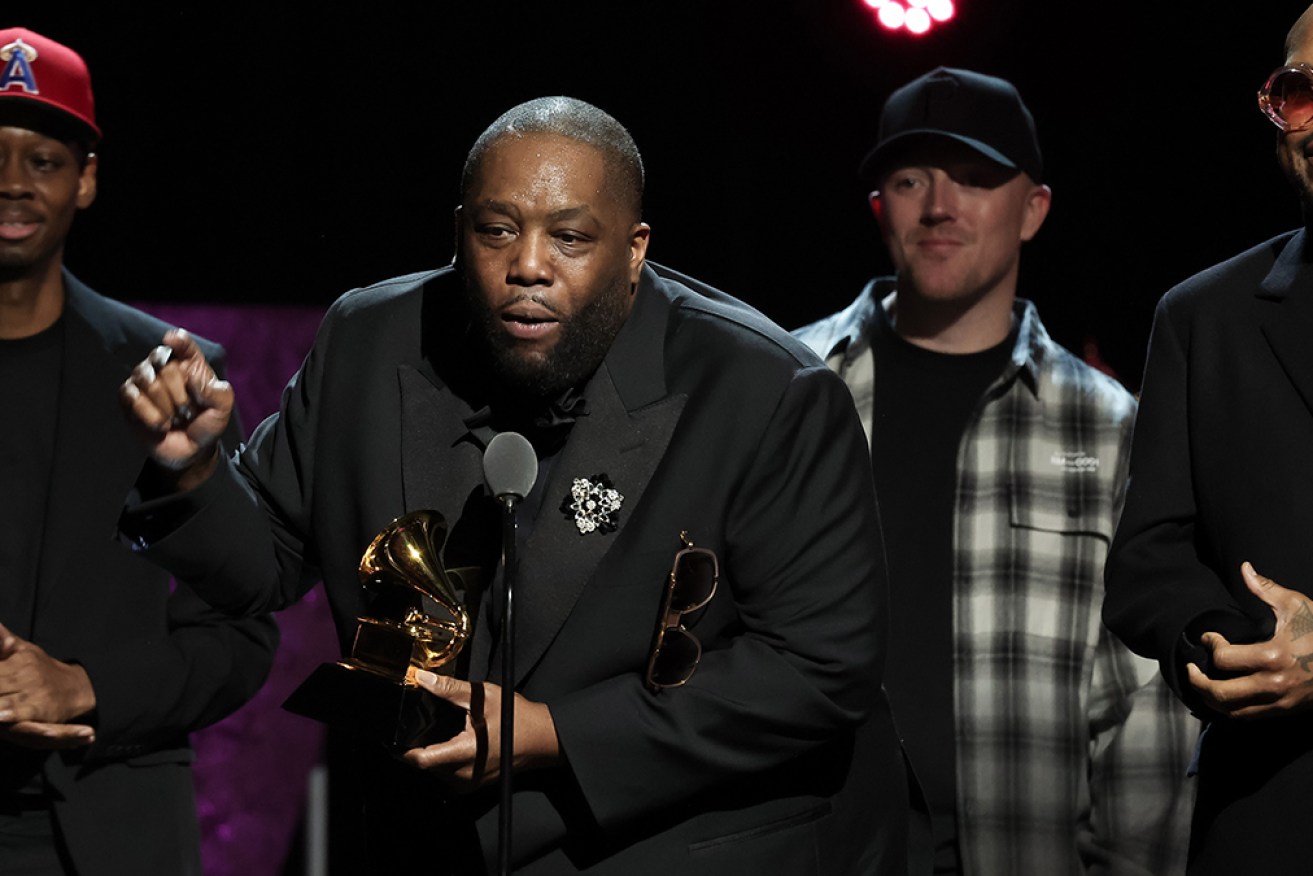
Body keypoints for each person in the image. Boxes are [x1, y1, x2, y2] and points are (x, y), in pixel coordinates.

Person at [116, 95, 909, 874]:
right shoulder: (367, 341)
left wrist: (554, 732)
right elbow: (264, 564)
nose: (527, 266)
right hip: (430, 842)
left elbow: (819, 666)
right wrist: (192, 469)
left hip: (676, 845)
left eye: (569, 238)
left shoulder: (763, 391)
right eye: (496, 231)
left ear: (634, 250)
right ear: (458, 231)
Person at [795, 67, 1196, 875]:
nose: (939, 206)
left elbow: (1146, 698)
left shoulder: (1112, 427)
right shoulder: (785, 388)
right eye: (910, 180)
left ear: (1034, 210)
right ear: (879, 207)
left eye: (975, 179)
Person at [0, 27, 277, 875]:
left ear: (85, 181)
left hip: (109, 834)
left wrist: (83, 686)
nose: (11, 182)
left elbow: (238, 638)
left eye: (42, 160)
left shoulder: (170, 374)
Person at [1103, 7, 1313, 873]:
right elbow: (1149, 561)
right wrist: (1220, 644)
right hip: (1270, 813)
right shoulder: (1202, 317)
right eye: (1299, 94)